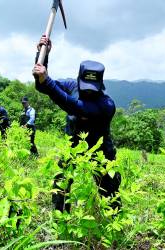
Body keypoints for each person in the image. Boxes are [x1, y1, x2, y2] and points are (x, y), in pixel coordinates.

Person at [32, 35, 121, 213]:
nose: (88, 92)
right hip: (73, 146)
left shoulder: (107, 105)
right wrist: (42, 56)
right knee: (61, 184)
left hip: (100, 150)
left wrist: (47, 80)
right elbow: (42, 86)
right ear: (79, 79)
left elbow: (75, 106)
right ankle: (60, 219)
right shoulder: (72, 86)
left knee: (110, 190)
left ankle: (114, 221)